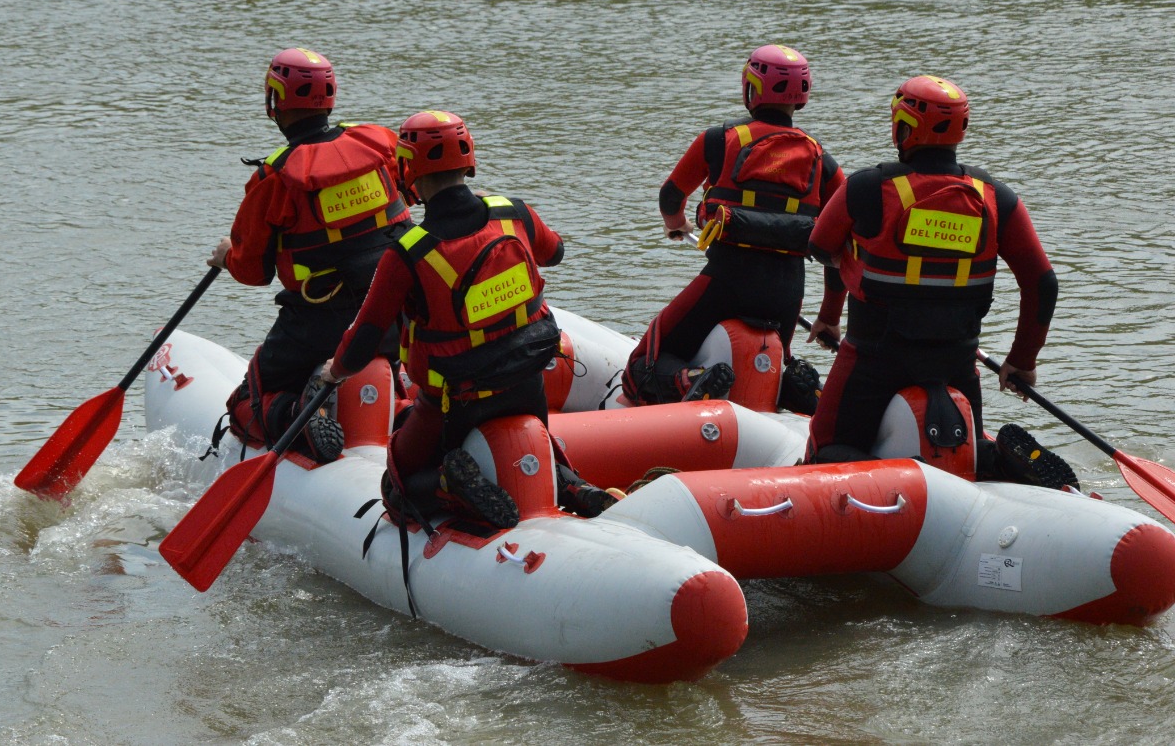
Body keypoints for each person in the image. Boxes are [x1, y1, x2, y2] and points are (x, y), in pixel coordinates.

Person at [319, 110, 617, 526]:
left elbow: (366, 335)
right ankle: (574, 487)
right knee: (543, 447)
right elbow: (557, 252)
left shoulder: (408, 252)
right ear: (469, 162)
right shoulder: (515, 214)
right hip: (528, 384)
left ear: (408, 170)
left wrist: (335, 373)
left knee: (397, 488)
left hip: (454, 403)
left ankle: (447, 483)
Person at [805, 74, 1078, 489]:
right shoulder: (996, 197)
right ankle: (998, 460)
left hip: (874, 359)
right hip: (957, 361)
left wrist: (832, 307)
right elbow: (1042, 283)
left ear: (902, 126)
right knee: (968, 452)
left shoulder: (865, 187)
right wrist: (1022, 360)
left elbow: (822, 246)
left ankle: (884, 481)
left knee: (827, 446)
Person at [208, 48, 412, 462]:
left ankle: (298, 412)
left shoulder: (274, 178)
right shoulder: (378, 142)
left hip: (320, 323)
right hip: (398, 314)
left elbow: (253, 271)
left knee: (246, 402)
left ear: (274, 102)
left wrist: (227, 256)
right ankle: (405, 415)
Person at [621, 44, 847, 412]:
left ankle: (687, 379)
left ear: (750, 88)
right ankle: (793, 385)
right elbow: (839, 248)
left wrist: (676, 223)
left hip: (727, 279)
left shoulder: (719, 139)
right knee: (779, 356)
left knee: (644, 361)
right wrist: (829, 318)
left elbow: (670, 196)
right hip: (788, 291)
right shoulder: (821, 158)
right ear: (802, 96)